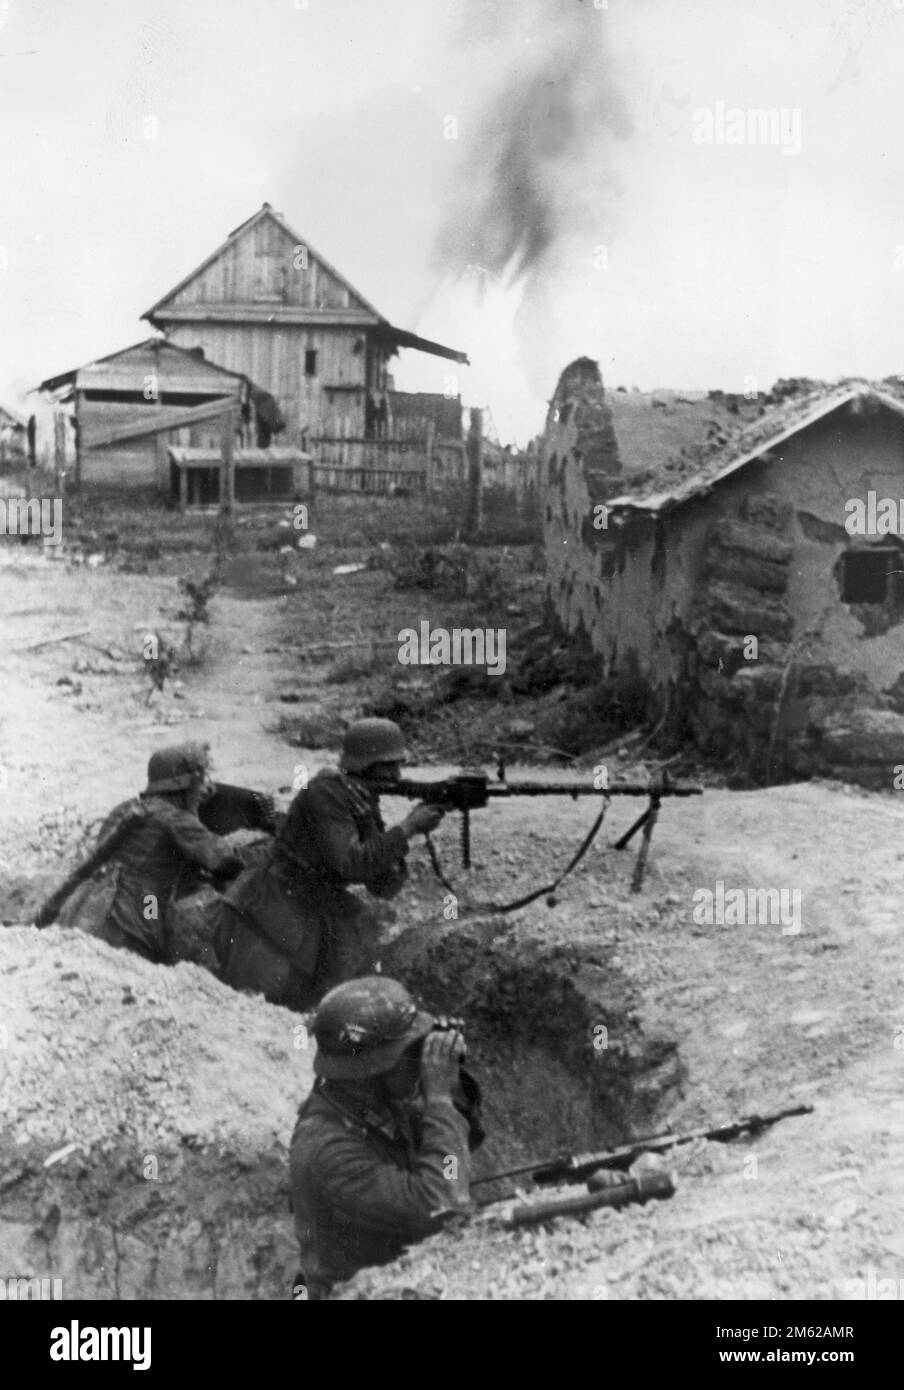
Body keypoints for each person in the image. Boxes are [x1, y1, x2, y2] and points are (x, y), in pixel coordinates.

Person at [215, 719, 442, 1009]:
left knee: (347, 978)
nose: (397, 775)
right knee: (262, 1000)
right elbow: (350, 862)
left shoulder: (360, 798)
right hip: (271, 904)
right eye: (390, 766)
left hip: (314, 902)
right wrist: (408, 827)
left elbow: (382, 886)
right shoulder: (325, 792)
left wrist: (403, 838)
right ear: (367, 764)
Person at [289, 975, 480, 1300]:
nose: (418, 1059)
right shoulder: (326, 1146)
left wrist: (452, 1080)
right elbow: (441, 1205)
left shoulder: (374, 1106)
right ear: (371, 1069)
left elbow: (454, 1158)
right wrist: (439, 1099)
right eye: (409, 1051)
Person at [59, 742, 244, 963]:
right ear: (185, 786)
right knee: (198, 944)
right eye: (200, 783)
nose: (205, 790)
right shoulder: (176, 819)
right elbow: (226, 861)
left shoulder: (124, 809)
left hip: (94, 905)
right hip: (142, 911)